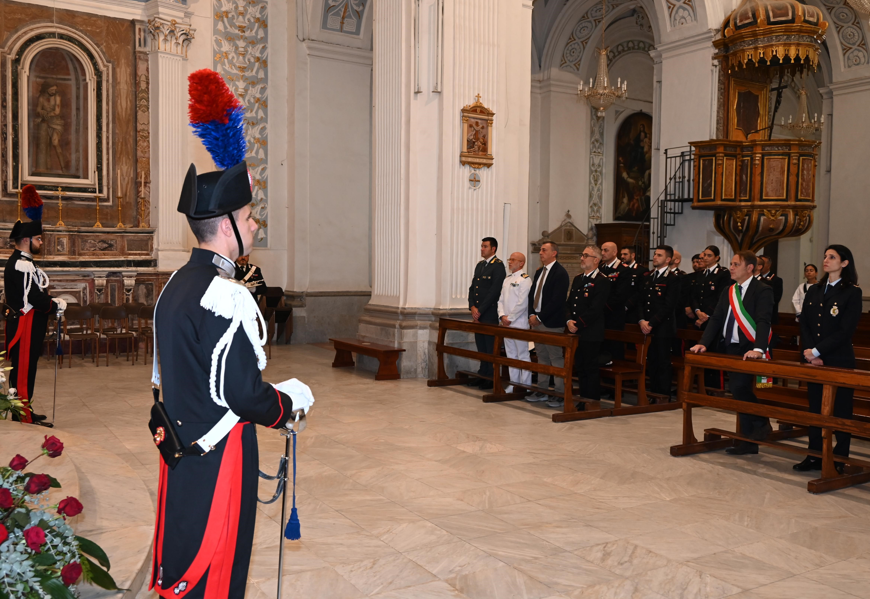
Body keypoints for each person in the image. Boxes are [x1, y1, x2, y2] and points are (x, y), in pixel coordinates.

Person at [150, 69, 314, 599]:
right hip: (221, 456)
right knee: (219, 562)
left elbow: (172, 376)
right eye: (250, 216)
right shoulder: (227, 294)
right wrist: (287, 405)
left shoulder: (176, 284)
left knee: (185, 550)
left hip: (180, 448)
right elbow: (242, 394)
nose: (256, 226)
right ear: (226, 226)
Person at [689, 251, 774, 455]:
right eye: (732, 264)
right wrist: (703, 343)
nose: (731, 267)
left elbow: (763, 321)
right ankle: (749, 441)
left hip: (751, 348)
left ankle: (762, 422)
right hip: (731, 347)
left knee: (739, 388)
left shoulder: (763, 290)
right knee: (738, 391)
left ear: (750, 268)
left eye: (736, 264)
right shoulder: (729, 290)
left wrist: (759, 349)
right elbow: (717, 319)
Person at [795, 245, 862, 474]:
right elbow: (804, 322)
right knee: (816, 410)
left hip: (839, 360)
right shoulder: (815, 289)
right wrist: (809, 353)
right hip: (814, 360)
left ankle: (840, 458)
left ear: (844, 263)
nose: (826, 260)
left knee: (841, 411)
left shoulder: (852, 292)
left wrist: (817, 351)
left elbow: (846, 330)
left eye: (832, 257)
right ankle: (814, 455)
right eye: (825, 256)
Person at [4, 185, 66, 425]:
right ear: (27, 240)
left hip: (30, 323)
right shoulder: (21, 264)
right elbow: (33, 298)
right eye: (39, 238)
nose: (41, 242)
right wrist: (55, 305)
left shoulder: (24, 262)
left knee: (27, 368)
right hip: (25, 324)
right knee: (22, 369)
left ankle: (24, 408)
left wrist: (50, 303)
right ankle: (23, 414)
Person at [553, 245, 609, 409]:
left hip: (590, 331)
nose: (582, 258)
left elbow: (596, 308)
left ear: (596, 260)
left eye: (586, 255)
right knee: (580, 366)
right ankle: (583, 399)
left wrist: (578, 323)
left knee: (590, 367)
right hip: (575, 330)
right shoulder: (579, 278)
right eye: (582, 255)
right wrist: (569, 320)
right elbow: (570, 303)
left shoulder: (602, 280)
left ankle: (591, 401)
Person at [527, 241, 570, 402]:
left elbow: (557, 300)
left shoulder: (560, 273)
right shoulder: (539, 272)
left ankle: (560, 394)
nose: (540, 252)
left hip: (551, 323)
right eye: (540, 250)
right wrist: (531, 314)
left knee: (555, 358)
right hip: (536, 321)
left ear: (554, 253)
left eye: (544, 250)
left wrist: (539, 317)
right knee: (541, 356)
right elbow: (532, 295)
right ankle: (542, 390)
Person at [639, 246, 680, 399]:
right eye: (655, 254)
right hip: (647, 327)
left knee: (663, 362)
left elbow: (668, 306)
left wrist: (651, 323)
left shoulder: (673, 279)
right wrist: (642, 320)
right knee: (652, 361)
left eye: (659, 255)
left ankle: (663, 395)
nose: (655, 257)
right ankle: (652, 392)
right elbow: (641, 301)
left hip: (663, 327)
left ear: (668, 259)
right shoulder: (648, 277)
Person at [692, 245, 732, 389]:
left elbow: (721, 297)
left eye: (709, 255)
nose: (705, 258)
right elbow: (695, 295)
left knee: (714, 354)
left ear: (717, 258)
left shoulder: (722, 274)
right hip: (699, 319)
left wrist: (707, 314)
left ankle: (715, 388)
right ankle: (703, 386)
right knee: (702, 353)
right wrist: (697, 311)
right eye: (704, 255)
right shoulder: (701, 274)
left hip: (714, 319)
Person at [468, 237, 506, 390]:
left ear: (493, 249)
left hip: (489, 313)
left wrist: (480, 310)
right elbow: (473, 288)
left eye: (485, 246)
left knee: (490, 347)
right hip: (478, 313)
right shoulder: (480, 265)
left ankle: (490, 377)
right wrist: (472, 306)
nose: (482, 249)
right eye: (481, 246)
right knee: (481, 346)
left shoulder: (498, 266)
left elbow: (494, 291)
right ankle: (482, 374)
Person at [497, 252, 533, 393]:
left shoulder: (525, 280)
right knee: (511, 354)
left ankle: (526, 385)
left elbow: (522, 303)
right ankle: (514, 383)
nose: (510, 262)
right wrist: (502, 316)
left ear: (521, 263)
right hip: (506, 323)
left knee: (523, 355)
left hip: (519, 323)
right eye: (509, 259)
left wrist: (510, 318)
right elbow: (500, 300)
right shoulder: (507, 279)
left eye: (513, 260)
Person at [599, 242, 630, 362]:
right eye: (601, 250)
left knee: (614, 349)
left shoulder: (623, 270)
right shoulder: (600, 268)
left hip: (614, 316)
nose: (602, 253)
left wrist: (601, 307)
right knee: (601, 348)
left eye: (606, 250)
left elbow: (620, 296)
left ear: (614, 252)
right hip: (600, 317)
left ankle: (614, 380)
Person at [621, 245, 648, 324]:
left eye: (625, 254)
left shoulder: (641, 270)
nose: (622, 256)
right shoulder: (619, 269)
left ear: (633, 255)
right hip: (619, 309)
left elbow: (640, 291)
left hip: (633, 309)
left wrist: (627, 305)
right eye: (621, 254)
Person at [758, 255, 783, 324]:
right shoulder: (755, 278)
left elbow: (776, 298)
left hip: (769, 315)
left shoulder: (776, 280)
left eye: (763, 263)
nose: (760, 266)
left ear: (769, 265)